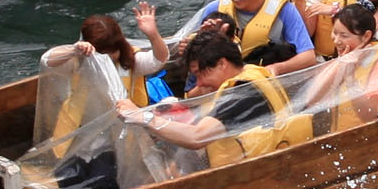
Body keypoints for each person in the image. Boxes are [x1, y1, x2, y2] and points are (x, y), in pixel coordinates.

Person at [114, 33, 309, 166]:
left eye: (200, 74)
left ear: (222, 64)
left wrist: (142, 117)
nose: (199, 84)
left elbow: (197, 137)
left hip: (257, 178)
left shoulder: (241, 94)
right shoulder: (251, 75)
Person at [185, 0, 318, 75]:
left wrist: (277, 68)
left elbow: (308, 56)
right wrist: (190, 47)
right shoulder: (214, 10)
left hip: (262, 78)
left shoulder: (285, 11)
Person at [309, 4, 378, 133]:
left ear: (366, 36)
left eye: (344, 35)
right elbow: (312, 100)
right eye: (335, 33)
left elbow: (368, 115)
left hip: (377, 138)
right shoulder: (344, 59)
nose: (336, 41)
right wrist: (340, 65)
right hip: (343, 136)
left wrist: (350, 78)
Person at [40, 8, 167, 107]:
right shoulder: (76, 61)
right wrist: (73, 50)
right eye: (102, 53)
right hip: (83, 127)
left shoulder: (128, 61)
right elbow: (47, 61)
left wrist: (153, 35)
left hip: (121, 126)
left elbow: (159, 60)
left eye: (114, 51)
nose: (109, 57)